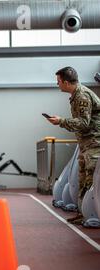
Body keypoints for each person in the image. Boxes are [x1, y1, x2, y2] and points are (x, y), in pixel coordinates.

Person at [46, 66, 100, 225]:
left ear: (66, 82)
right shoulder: (76, 95)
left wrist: (61, 121)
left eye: (58, 81)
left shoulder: (82, 95)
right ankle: (84, 212)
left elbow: (83, 123)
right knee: (83, 180)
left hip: (94, 143)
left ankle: (93, 214)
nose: (58, 85)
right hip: (87, 144)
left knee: (91, 182)